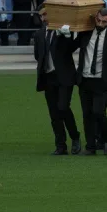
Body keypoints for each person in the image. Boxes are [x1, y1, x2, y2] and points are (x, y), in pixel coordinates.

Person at [74, 8, 107, 156]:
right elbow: (70, 47)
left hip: (101, 81)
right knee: (87, 114)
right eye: (99, 20)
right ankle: (90, 146)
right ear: (95, 18)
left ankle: (106, 139)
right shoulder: (85, 34)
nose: (100, 23)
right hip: (85, 79)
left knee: (98, 112)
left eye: (104, 21)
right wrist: (64, 34)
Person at [33, 10, 81, 156]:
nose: (44, 17)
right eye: (42, 15)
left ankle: (75, 137)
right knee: (54, 113)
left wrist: (66, 36)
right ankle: (61, 145)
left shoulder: (62, 31)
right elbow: (38, 55)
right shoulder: (39, 34)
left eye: (47, 14)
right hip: (49, 77)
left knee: (63, 107)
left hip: (64, 76)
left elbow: (71, 48)